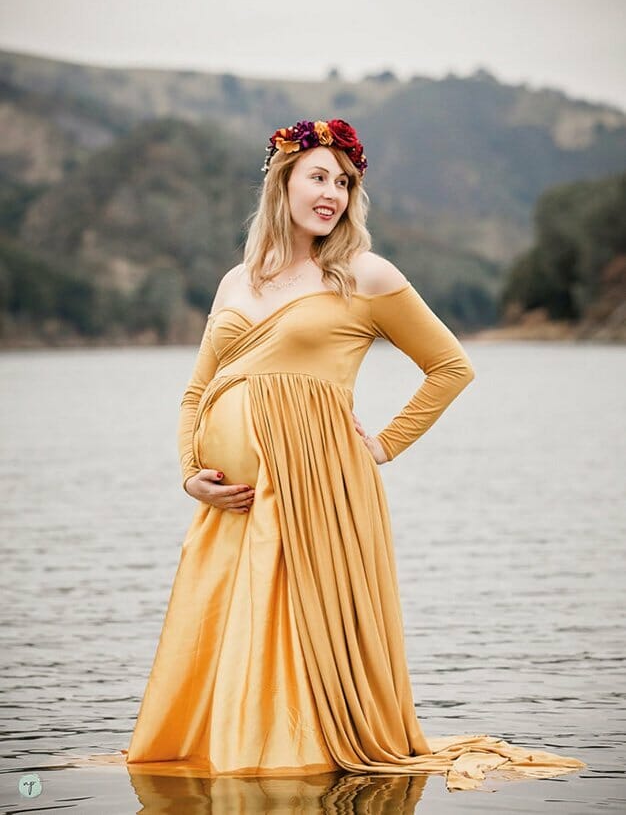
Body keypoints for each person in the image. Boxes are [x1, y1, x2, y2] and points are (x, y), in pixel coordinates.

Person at [123, 119, 586, 791]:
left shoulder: (365, 275)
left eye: (344, 182)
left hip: (320, 487)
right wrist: (190, 474)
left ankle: (294, 762)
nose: (333, 193)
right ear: (282, 181)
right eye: (318, 176)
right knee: (235, 628)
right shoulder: (235, 282)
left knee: (303, 630)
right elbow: (196, 391)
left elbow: (450, 367)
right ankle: (235, 753)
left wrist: (386, 443)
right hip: (234, 502)